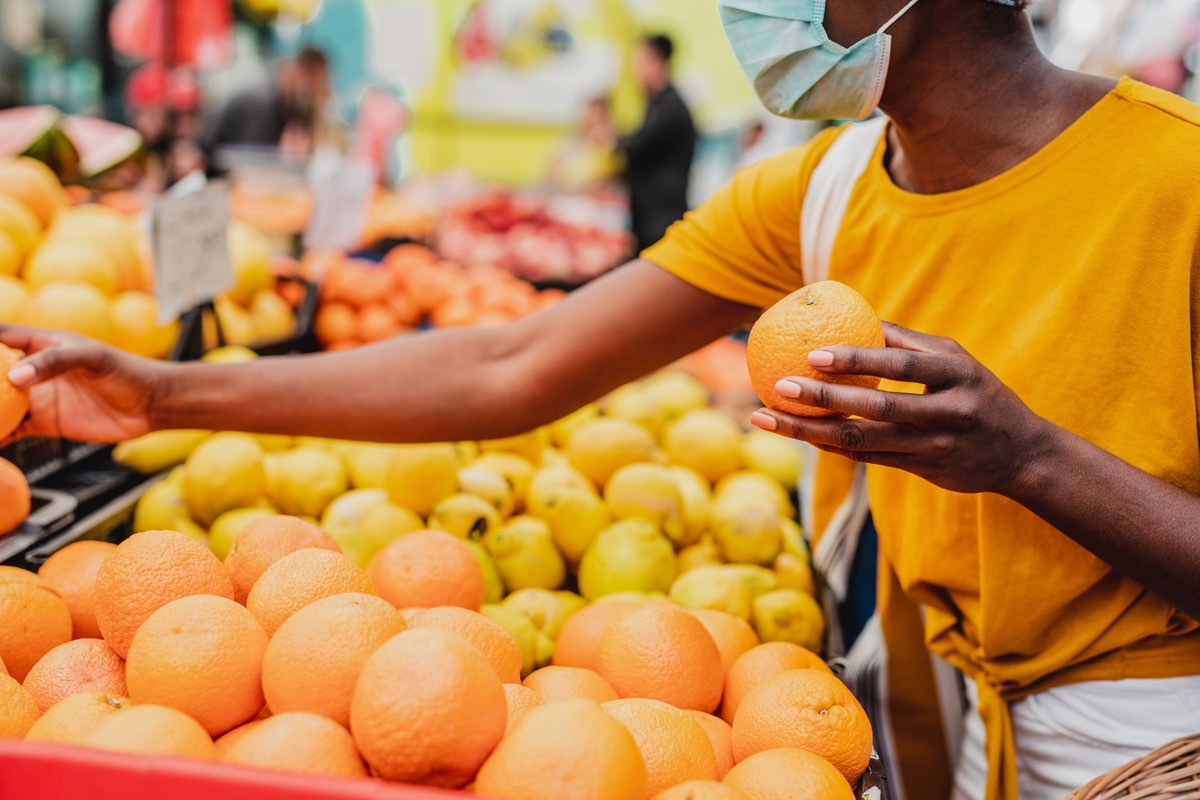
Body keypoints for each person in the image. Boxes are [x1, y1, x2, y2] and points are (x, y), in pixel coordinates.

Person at [4, 2, 1200, 798]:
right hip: (943, 732)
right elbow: (508, 366)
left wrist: (1026, 454)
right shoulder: (826, 192)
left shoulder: (1174, 180)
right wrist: (165, 392)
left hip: (1154, 749)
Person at [613, 34, 697, 251]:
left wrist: (611, 138)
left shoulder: (670, 107)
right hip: (650, 214)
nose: (636, 72)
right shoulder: (657, 103)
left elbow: (636, 146)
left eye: (640, 62)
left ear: (657, 61)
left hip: (662, 216)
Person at [202, 46, 331, 168]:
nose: (309, 93)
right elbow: (255, 164)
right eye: (311, 85)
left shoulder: (280, 101)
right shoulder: (261, 103)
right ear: (297, 72)